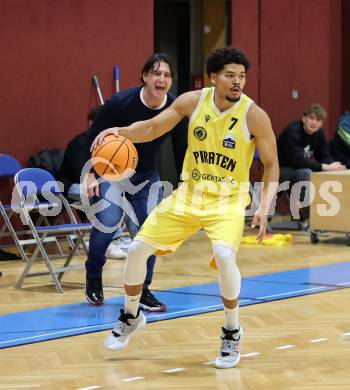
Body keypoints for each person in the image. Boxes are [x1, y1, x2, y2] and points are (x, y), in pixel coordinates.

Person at [92, 47, 279, 369]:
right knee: (136, 249)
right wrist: (120, 132)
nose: (237, 82)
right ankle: (131, 314)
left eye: (242, 76)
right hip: (189, 195)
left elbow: (273, 164)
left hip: (228, 200)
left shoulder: (254, 115)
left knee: (223, 256)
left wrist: (265, 204)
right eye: (230, 76)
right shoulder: (193, 102)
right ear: (214, 77)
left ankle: (232, 331)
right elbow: (152, 128)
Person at [83, 53, 188, 311]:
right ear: (144, 77)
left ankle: (143, 290)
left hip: (145, 177)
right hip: (113, 174)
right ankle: (94, 277)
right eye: (156, 73)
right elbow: (90, 137)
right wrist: (89, 173)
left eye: (166, 75)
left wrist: (185, 183)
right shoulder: (120, 103)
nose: (161, 79)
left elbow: (181, 149)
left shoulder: (174, 109)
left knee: (149, 233)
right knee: (106, 224)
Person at [58, 107, 128, 260]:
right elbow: (80, 175)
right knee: (104, 193)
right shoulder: (79, 143)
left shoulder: (109, 144)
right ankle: (111, 241)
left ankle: (121, 237)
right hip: (71, 186)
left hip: (95, 187)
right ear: (92, 123)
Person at [278, 104, 346, 220]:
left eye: (318, 120)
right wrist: (324, 166)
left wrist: (334, 167)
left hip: (298, 170)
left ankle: (334, 216)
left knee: (329, 171)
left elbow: (324, 156)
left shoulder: (318, 134)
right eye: (311, 118)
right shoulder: (292, 131)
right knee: (307, 173)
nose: (314, 122)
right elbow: (297, 161)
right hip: (279, 171)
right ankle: (309, 218)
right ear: (304, 118)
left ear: (321, 123)